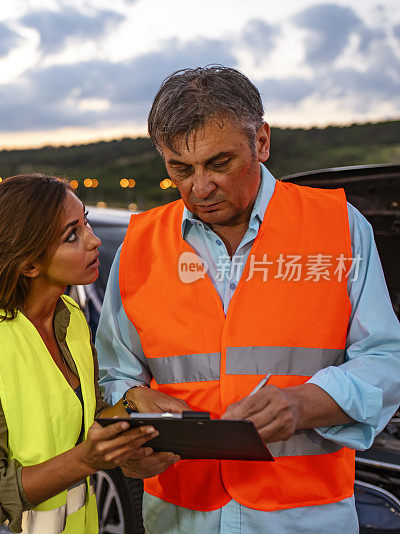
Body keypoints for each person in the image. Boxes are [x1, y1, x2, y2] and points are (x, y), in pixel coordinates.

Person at [96, 65, 400, 533]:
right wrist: (131, 410)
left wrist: (304, 403)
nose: (199, 188)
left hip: (304, 518)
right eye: (180, 169)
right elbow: (114, 373)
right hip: (179, 517)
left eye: (219, 164)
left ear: (261, 141)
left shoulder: (339, 225)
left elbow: (386, 357)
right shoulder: (139, 244)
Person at [0, 174, 164, 533]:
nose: (94, 240)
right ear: (29, 264)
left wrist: (133, 405)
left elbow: (75, 418)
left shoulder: (71, 320)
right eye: (72, 235)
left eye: (85, 222)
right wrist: (85, 460)